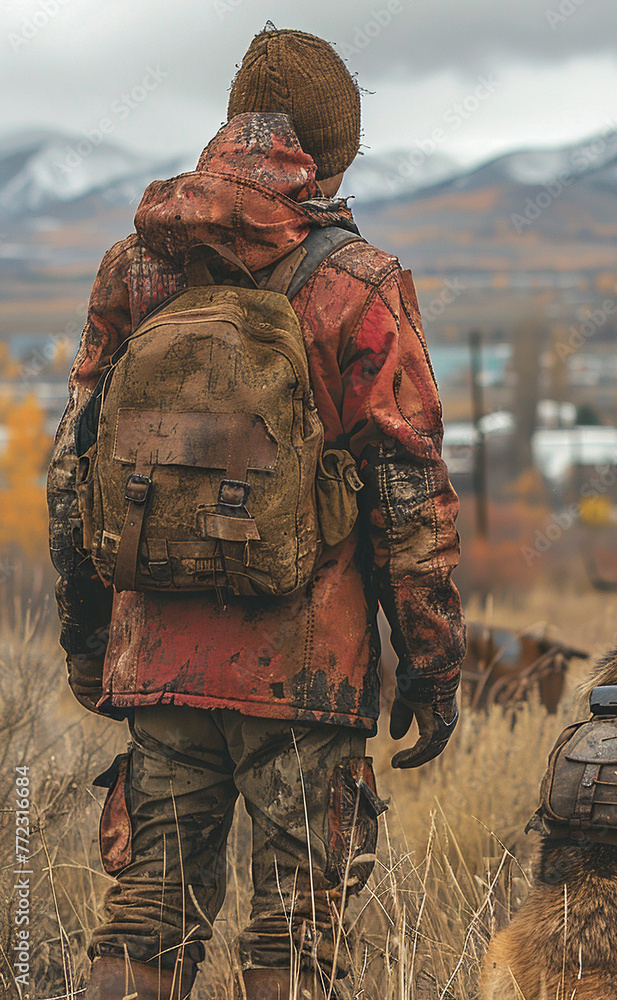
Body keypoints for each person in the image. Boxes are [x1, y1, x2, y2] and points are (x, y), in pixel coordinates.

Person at [46, 26, 466, 1000]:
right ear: (331, 154)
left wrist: (89, 648)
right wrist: (433, 667)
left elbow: (74, 472)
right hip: (305, 677)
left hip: (157, 661)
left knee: (146, 923)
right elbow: (409, 496)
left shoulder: (134, 268)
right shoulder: (357, 283)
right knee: (293, 945)